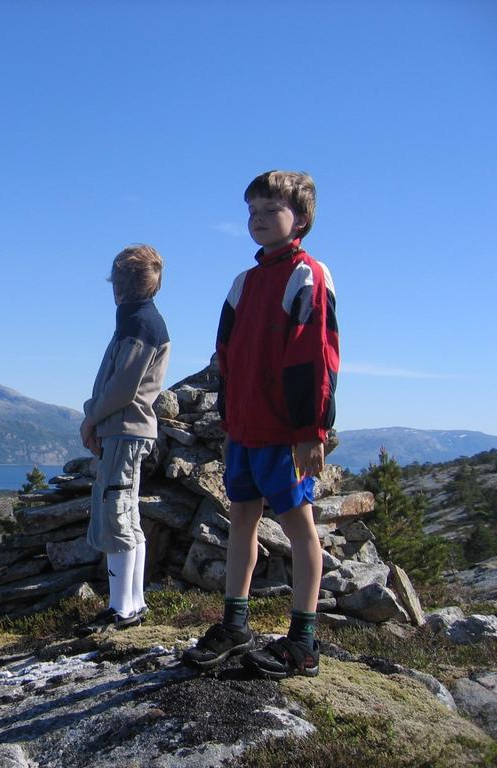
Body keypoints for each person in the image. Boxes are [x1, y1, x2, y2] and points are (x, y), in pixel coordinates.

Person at [183, 170, 339, 678]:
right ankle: (236, 624)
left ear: (302, 218)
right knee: (242, 519)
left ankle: (304, 638)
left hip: (285, 431)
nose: (259, 220)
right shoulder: (243, 282)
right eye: (252, 212)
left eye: (271, 210)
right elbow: (225, 356)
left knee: (300, 527)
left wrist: (311, 430)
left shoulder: (308, 275)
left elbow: (316, 358)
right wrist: (229, 422)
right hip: (246, 428)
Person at [74, 244, 171, 635]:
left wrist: (93, 417)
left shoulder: (139, 326)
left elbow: (123, 387)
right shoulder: (141, 322)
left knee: (116, 513)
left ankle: (121, 608)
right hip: (127, 429)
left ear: (120, 285)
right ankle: (133, 602)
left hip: (125, 429)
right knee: (127, 514)